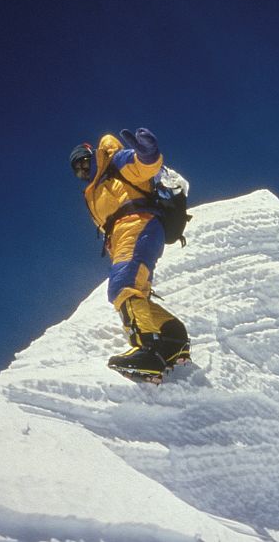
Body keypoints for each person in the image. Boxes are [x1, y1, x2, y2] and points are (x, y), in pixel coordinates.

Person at [69, 128, 190, 384]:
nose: (82, 171)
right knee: (136, 291)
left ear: (93, 156)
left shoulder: (113, 163)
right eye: (77, 170)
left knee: (123, 287)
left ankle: (147, 350)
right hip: (128, 232)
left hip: (137, 223)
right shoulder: (96, 188)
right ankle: (173, 337)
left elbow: (143, 166)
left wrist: (148, 153)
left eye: (84, 162)